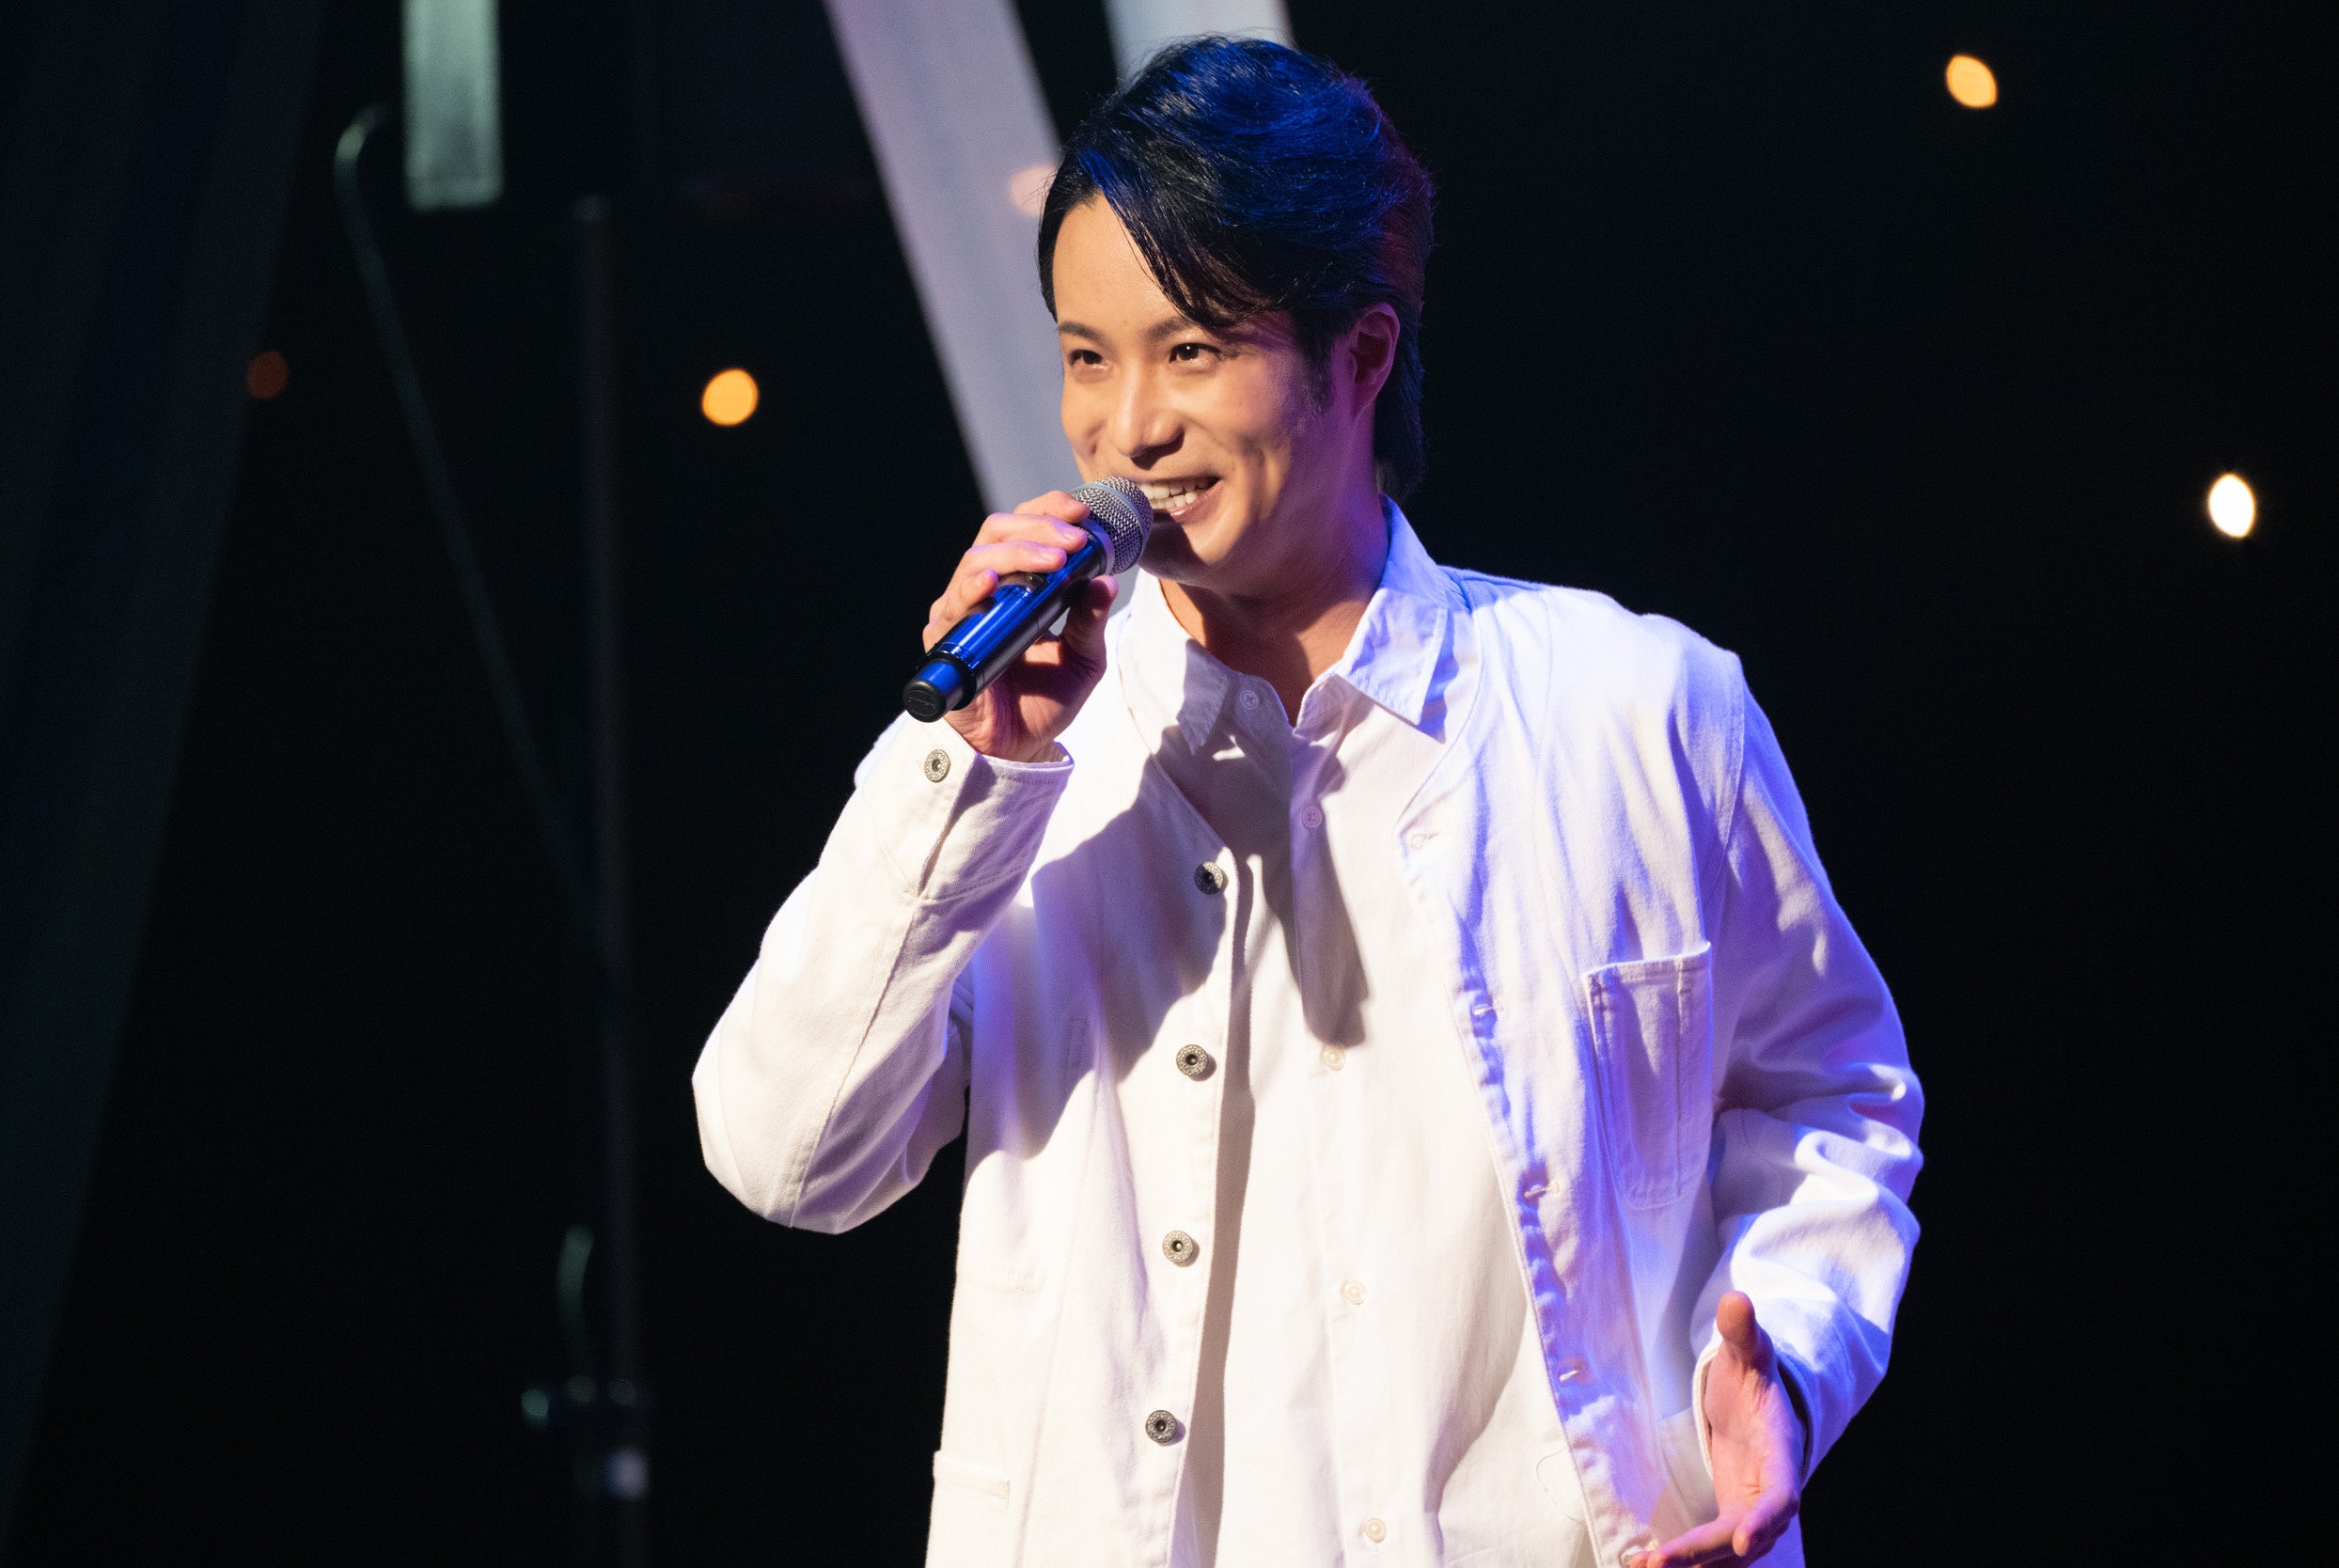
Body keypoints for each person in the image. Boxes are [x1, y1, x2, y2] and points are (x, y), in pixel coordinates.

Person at [693, 37, 1921, 1568]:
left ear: (1362, 354)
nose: (1129, 428)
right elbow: (787, 1156)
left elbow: (1829, 1097)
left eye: (1194, 349)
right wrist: (973, 768)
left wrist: (1783, 1357)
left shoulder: (1639, 707)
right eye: (1088, 356)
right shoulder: (1020, 767)